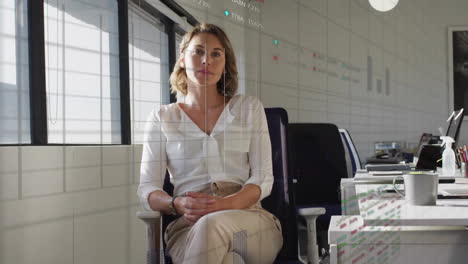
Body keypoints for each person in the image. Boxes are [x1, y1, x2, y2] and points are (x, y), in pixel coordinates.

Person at [137, 23, 282, 264]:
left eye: (216, 54)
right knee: (228, 259)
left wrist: (223, 204)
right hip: (189, 228)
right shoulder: (162, 118)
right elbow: (147, 189)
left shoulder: (248, 108)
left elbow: (263, 178)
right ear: (182, 58)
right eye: (198, 52)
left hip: (249, 223)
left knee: (212, 227)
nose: (207, 60)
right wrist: (176, 203)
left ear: (225, 63)